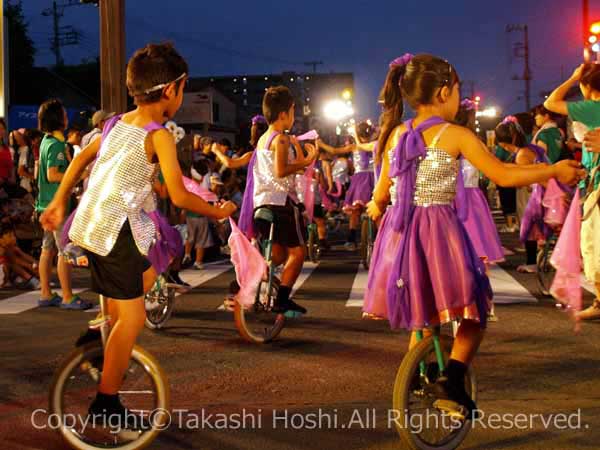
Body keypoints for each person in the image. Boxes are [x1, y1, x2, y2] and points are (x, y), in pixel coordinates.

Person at [366, 53, 583, 419]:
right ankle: (451, 381)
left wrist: (374, 207)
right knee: (474, 308)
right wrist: (555, 170)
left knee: (421, 310)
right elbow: (503, 176)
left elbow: (381, 192)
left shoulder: (396, 135)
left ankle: (422, 374)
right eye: (457, 92)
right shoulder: (456, 135)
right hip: (437, 234)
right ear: (444, 92)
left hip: (399, 236)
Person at [40, 42, 236, 425]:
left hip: (93, 226)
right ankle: (107, 404)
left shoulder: (117, 123)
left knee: (136, 288)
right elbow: (178, 194)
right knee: (132, 318)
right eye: (183, 89)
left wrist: (60, 202)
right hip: (117, 232)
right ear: (170, 91)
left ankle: (97, 344)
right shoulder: (158, 134)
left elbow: (81, 157)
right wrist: (217, 211)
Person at [245, 85, 317, 314]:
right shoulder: (281, 139)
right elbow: (281, 170)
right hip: (280, 204)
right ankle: (283, 298)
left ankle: (245, 280)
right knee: (297, 253)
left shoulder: (263, 138)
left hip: (261, 203)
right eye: (293, 112)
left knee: (277, 254)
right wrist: (306, 161)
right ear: (284, 114)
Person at [545, 63, 600, 320]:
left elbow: (551, 103)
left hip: (596, 185)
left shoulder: (590, 107)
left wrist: (572, 77)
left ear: (587, 86)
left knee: (592, 246)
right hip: (590, 181)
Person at [35, 99, 88, 309]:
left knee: (46, 250)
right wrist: (76, 175)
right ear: (57, 119)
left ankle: (46, 293)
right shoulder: (56, 145)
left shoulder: (45, 141)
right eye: (64, 114)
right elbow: (52, 174)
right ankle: (67, 296)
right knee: (64, 251)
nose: (67, 117)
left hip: (44, 204)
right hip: (56, 207)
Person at [495, 117, 551, 273]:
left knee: (531, 229)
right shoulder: (531, 148)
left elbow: (527, 180)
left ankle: (533, 263)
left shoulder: (522, 155)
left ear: (503, 143)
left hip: (531, 195)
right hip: (539, 193)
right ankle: (539, 261)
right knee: (536, 230)